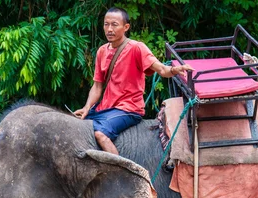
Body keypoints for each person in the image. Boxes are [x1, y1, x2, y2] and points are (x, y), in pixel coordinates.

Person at [74, 7, 193, 155]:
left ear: (126, 27)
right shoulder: (102, 51)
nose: (109, 29)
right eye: (106, 24)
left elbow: (162, 70)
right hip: (105, 108)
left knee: (100, 134)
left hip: (128, 109)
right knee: (75, 126)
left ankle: (120, 172)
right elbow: (97, 86)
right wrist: (86, 107)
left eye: (114, 24)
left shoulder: (137, 48)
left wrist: (174, 70)